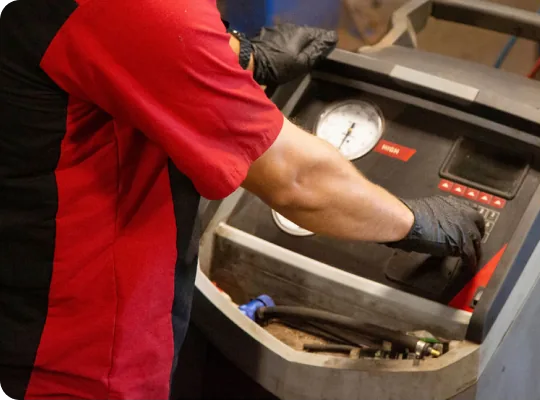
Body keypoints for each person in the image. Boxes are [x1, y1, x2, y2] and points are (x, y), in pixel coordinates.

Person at [0, 0, 484, 399]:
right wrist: (414, 221)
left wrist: (241, 56)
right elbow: (296, 180)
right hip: (67, 363)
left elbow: (128, 46)